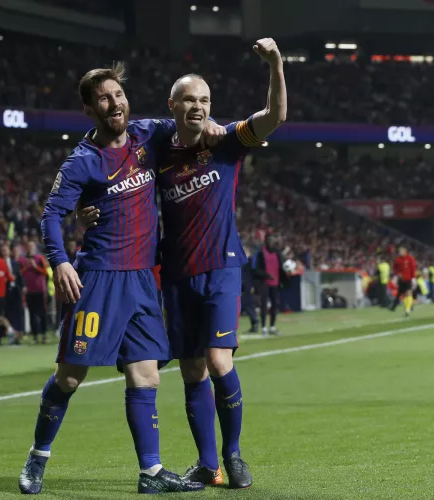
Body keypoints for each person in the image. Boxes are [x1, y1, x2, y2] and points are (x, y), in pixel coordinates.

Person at [18, 63, 222, 496]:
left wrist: (213, 121)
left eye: (119, 95)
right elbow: (51, 214)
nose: (116, 104)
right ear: (90, 110)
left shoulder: (148, 134)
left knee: (146, 375)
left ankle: (151, 472)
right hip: (98, 279)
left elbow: (191, 121)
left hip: (143, 281)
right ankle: (38, 457)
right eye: (105, 99)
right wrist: (60, 262)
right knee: (70, 378)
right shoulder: (82, 161)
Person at [155, 38, 285, 490]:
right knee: (190, 370)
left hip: (223, 268)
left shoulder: (227, 142)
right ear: (173, 105)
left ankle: (233, 456)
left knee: (217, 361)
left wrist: (275, 65)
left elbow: (274, 118)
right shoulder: (156, 151)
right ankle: (207, 464)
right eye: (190, 100)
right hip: (176, 273)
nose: (198, 107)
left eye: (205, 101)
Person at [252, 234, 287, 336]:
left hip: (275, 283)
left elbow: (282, 266)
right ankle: (263, 328)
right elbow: (255, 269)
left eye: (272, 240)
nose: (271, 242)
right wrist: (266, 275)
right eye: (269, 240)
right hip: (264, 283)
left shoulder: (277, 253)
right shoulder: (260, 253)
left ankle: (272, 327)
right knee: (263, 305)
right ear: (265, 241)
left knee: (275, 305)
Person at [22, 240, 51, 344]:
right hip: (29, 291)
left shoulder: (40, 258)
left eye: (32, 246)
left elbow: (45, 272)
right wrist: (27, 266)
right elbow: (20, 273)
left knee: (42, 313)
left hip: (40, 290)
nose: (30, 248)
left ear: (34, 248)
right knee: (31, 313)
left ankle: (43, 335)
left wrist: (35, 267)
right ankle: (34, 336)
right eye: (28, 246)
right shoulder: (23, 260)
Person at [4, 244, 26, 342]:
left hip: (16, 291)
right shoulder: (0, 263)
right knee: (8, 314)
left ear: (9, 251)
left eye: (6, 250)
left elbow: (20, 276)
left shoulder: (14, 263)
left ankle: (20, 332)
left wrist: (23, 286)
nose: (4, 252)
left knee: (19, 312)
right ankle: (11, 334)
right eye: (3, 250)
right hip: (5, 291)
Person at [390, 246, 417, 317]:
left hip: (408, 279)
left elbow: (413, 268)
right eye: (399, 251)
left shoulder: (410, 258)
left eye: (401, 251)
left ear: (405, 251)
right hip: (401, 280)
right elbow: (394, 268)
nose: (400, 252)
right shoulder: (398, 259)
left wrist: (413, 278)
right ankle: (410, 305)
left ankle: (407, 311)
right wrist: (397, 274)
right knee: (401, 294)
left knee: (408, 293)